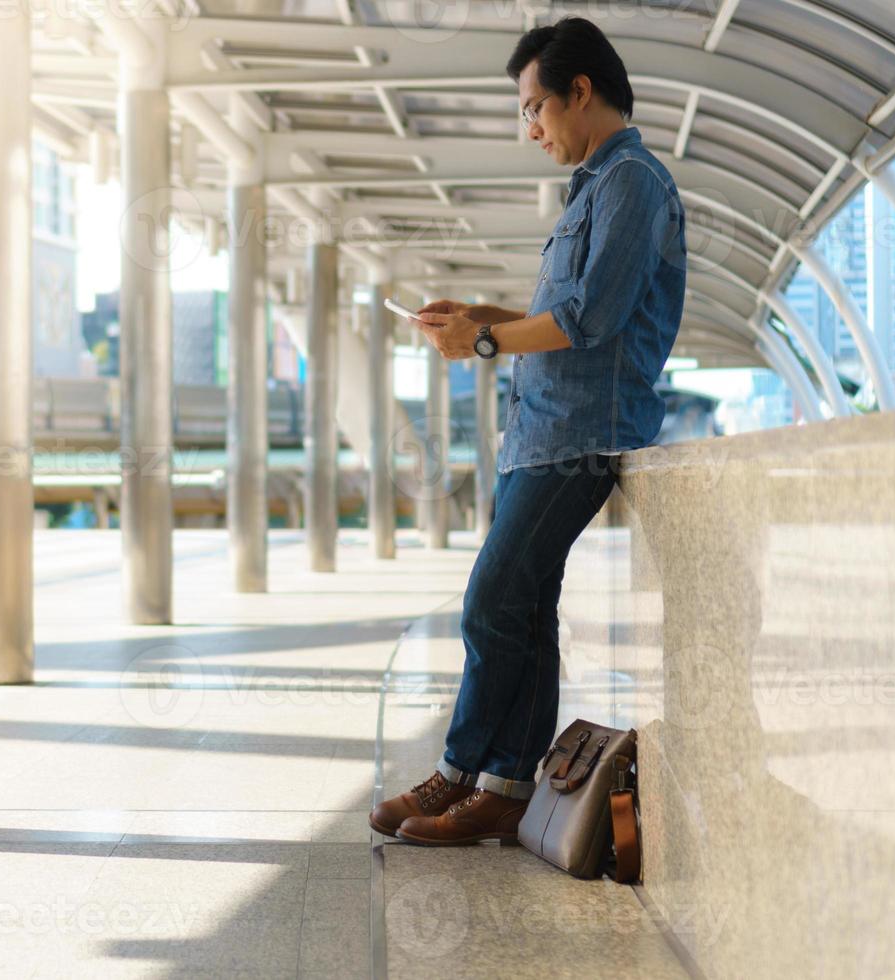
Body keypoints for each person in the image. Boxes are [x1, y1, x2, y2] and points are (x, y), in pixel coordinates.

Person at [369, 16, 687, 846]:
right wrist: (482, 317)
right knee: (523, 607)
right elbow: (554, 316)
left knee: (491, 601)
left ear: (581, 92)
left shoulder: (633, 185)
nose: (531, 126)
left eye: (535, 106)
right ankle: (497, 783)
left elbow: (589, 318)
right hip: (541, 433)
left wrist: (478, 341)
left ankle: (467, 775)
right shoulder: (593, 187)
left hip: (583, 435)